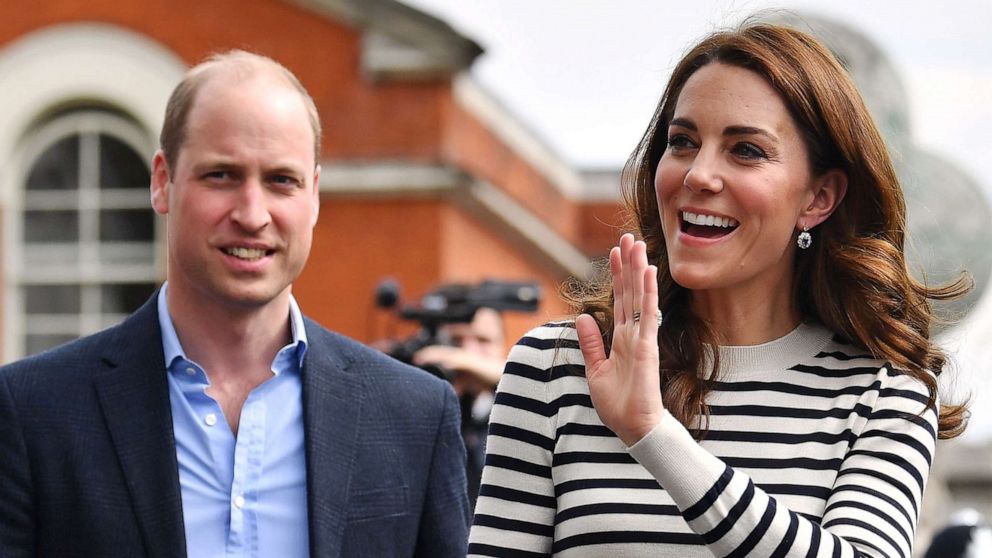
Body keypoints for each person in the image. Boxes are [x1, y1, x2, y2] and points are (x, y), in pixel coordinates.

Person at [468, 21, 968, 557]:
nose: (699, 174)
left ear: (819, 198)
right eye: (682, 142)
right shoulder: (556, 367)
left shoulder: (884, 391)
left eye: (746, 150)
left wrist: (654, 437)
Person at [0, 50, 469, 558]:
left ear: (314, 195)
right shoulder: (33, 411)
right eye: (221, 175)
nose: (252, 214)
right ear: (163, 181)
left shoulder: (414, 416)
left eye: (280, 181)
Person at [413, 307, 507, 507]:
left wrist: (464, 362)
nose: (469, 351)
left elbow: (523, 375)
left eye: (483, 341)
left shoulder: (513, 402)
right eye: (457, 341)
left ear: (503, 346)